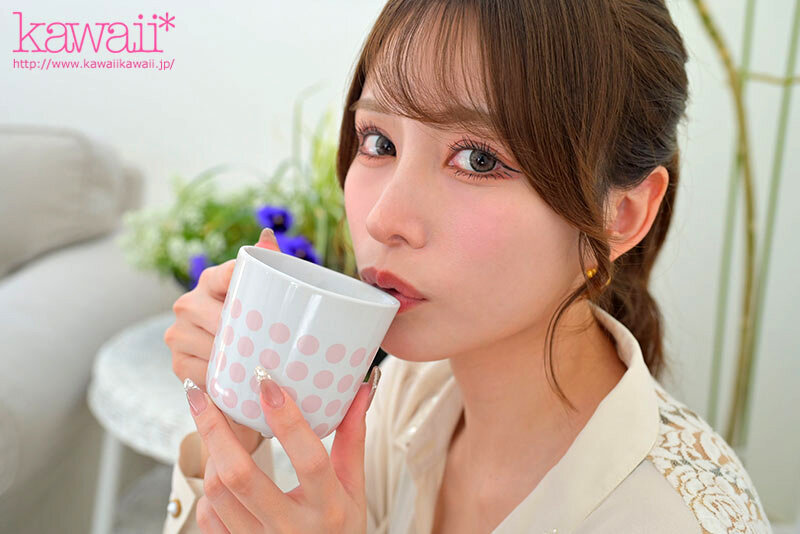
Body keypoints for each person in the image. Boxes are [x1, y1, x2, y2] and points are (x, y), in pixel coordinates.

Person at [162, 0, 773, 532]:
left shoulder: (677, 517)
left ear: (621, 215)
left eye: (479, 159)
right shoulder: (406, 395)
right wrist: (234, 436)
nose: (383, 219)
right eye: (379, 142)